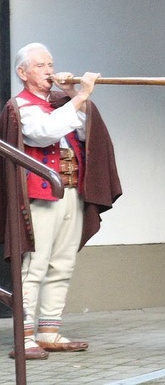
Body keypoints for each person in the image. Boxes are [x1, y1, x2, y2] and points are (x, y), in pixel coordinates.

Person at [0, 43, 121, 360]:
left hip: (70, 193)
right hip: (40, 197)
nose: (49, 70)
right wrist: (80, 97)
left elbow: (84, 134)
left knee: (62, 264)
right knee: (34, 266)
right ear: (22, 73)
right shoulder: (20, 106)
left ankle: (49, 331)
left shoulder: (60, 104)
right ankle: (23, 336)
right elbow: (43, 134)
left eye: (50, 64)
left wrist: (70, 96)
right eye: (40, 65)